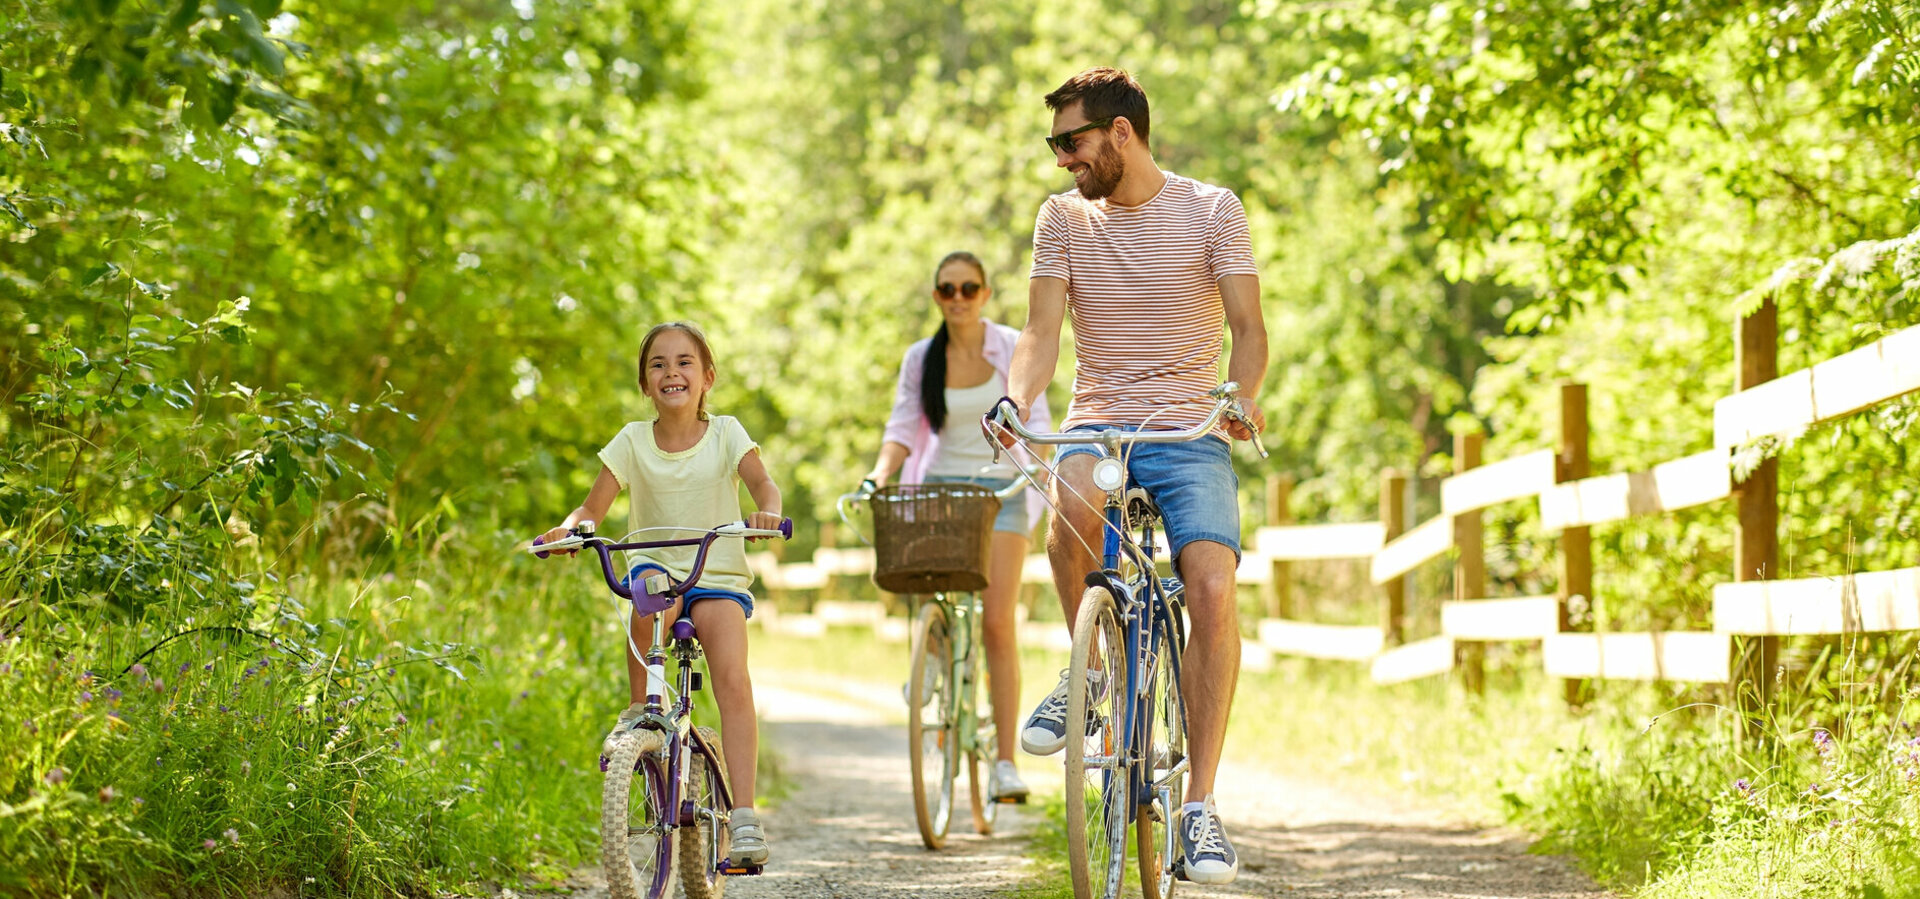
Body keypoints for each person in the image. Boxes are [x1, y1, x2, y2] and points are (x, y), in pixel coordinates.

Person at [1002, 67, 1269, 884]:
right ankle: (1089, 669)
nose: (1061, 161)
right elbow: (1041, 333)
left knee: (1213, 585)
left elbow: (1250, 327)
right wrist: (1017, 402)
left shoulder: (1213, 209)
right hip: (1100, 420)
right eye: (1056, 145)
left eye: (1071, 142)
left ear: (1121, 133)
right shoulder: (1063, 220)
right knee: (1070, 505)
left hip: (1192, 429)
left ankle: (1200, 808)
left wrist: (1241, 397)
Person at [538, 321, 784, 867]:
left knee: (732, 676)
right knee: (645, 598)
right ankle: (640, 713)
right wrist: (570, 530)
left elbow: (763, 484)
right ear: (645, 384)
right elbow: (590, 510)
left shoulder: (726, 433)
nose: (671, 371)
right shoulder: (630, 441)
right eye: (658, 365)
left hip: (715, 572)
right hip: (657, 566)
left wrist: (766, 508)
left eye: (684, 362)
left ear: (707, 378)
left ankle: (743, 816)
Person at [862, 250, 1053, 804]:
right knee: (928, 587)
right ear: (936, 297)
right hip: (940, 488)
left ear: (985, 294)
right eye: (948, 290)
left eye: (969, 289)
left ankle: (1005, 764)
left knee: (997, 623)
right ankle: (933, 659)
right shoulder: (922, 358)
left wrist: (1037, 461)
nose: (959, 299)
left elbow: (1036, 421)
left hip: (1001, 492)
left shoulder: (1011, 347)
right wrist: (880, 474)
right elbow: (902, 424)